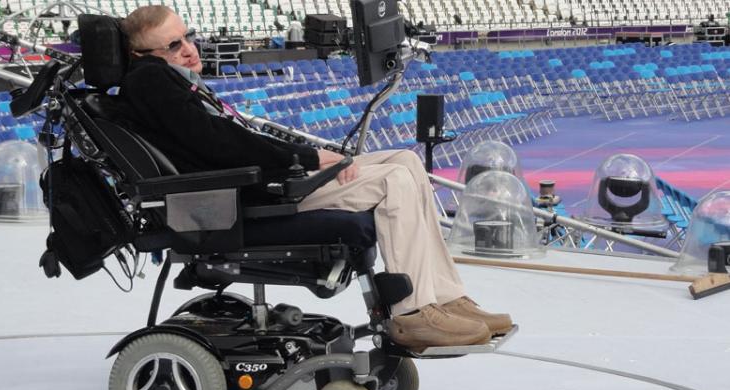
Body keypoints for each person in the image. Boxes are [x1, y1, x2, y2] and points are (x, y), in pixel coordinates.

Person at [118, 6, 513, 349]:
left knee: (406, 161)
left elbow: (226, 140)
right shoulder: (152, 81)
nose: (188, 49)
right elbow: (219, 146)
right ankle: (412, 313)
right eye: (172, 46)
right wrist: (306, 158)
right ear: (141, 55)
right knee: (394, 181)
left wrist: (303, 161)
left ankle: (445, 296)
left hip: (253, 180)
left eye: (187, 37)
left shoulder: (167, 81)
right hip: (239, 198)